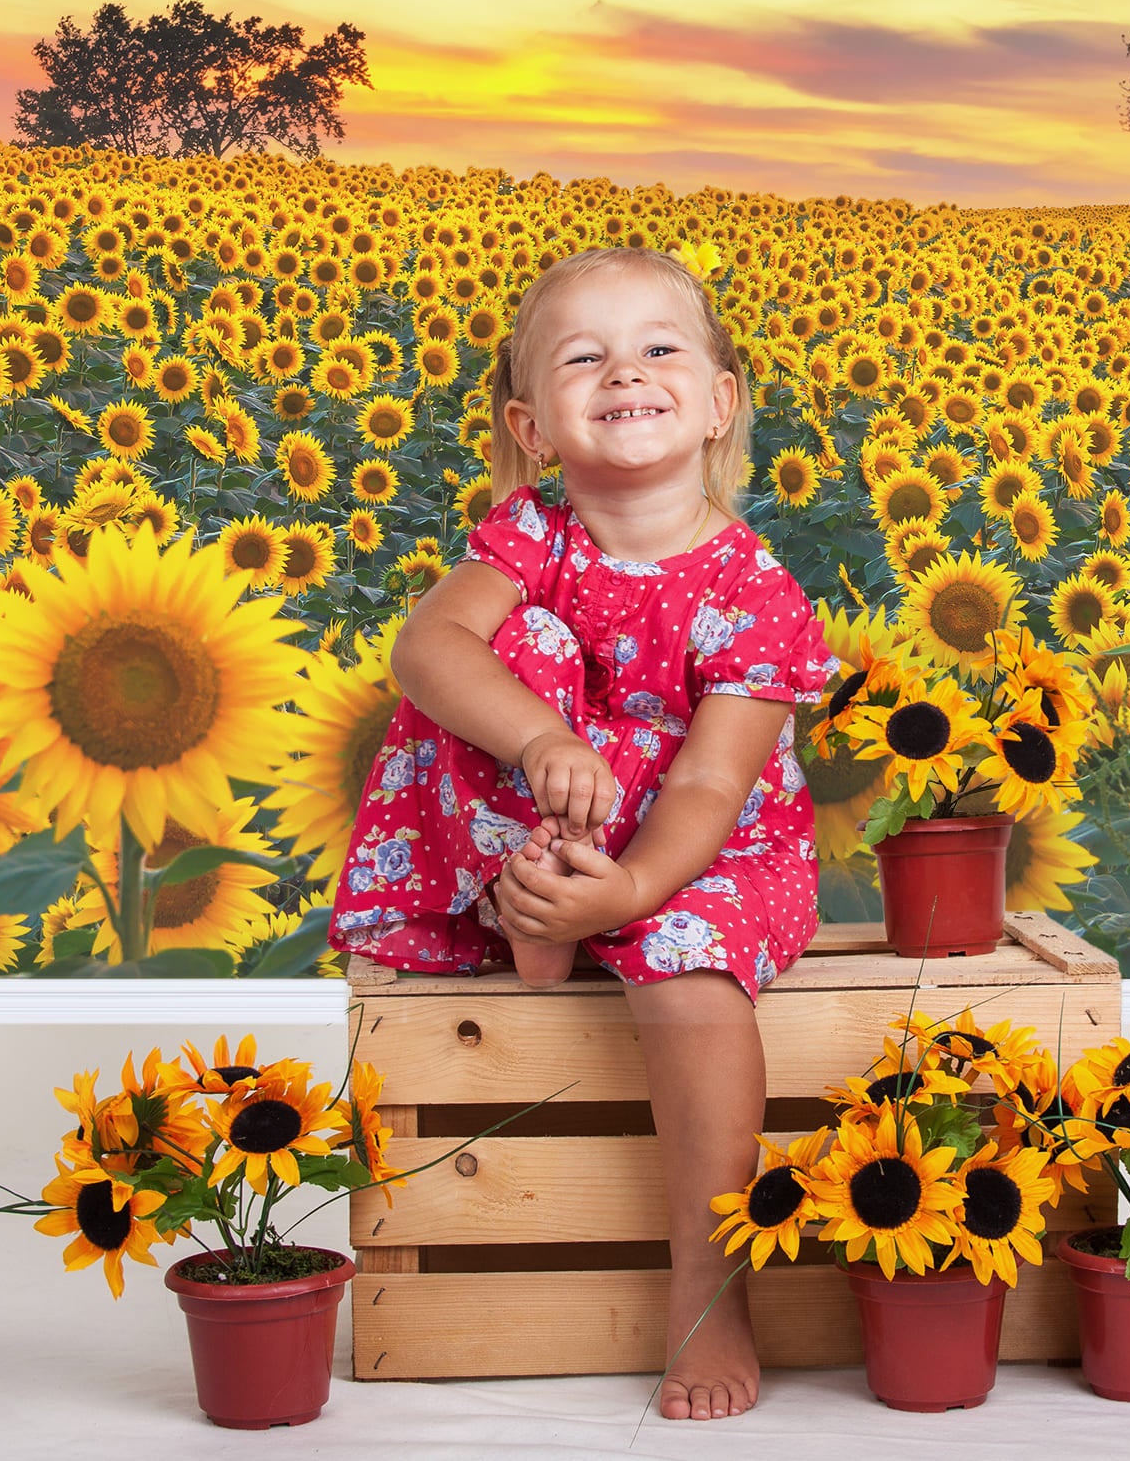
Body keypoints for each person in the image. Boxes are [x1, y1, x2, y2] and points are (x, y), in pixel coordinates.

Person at [330, 245, 840, 1421]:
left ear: (718, 403)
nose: (626, 371)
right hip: (537, 817)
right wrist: (536, 743)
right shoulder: (529, 535)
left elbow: (714, 784)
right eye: (584, 356)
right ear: (533, 422)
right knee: (517, 652)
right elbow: (422, 649)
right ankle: (536, 898)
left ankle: (711, 1291)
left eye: (660, 347)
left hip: (706, 852)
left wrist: (633, 890)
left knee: (688, 975)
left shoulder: (755, 589)